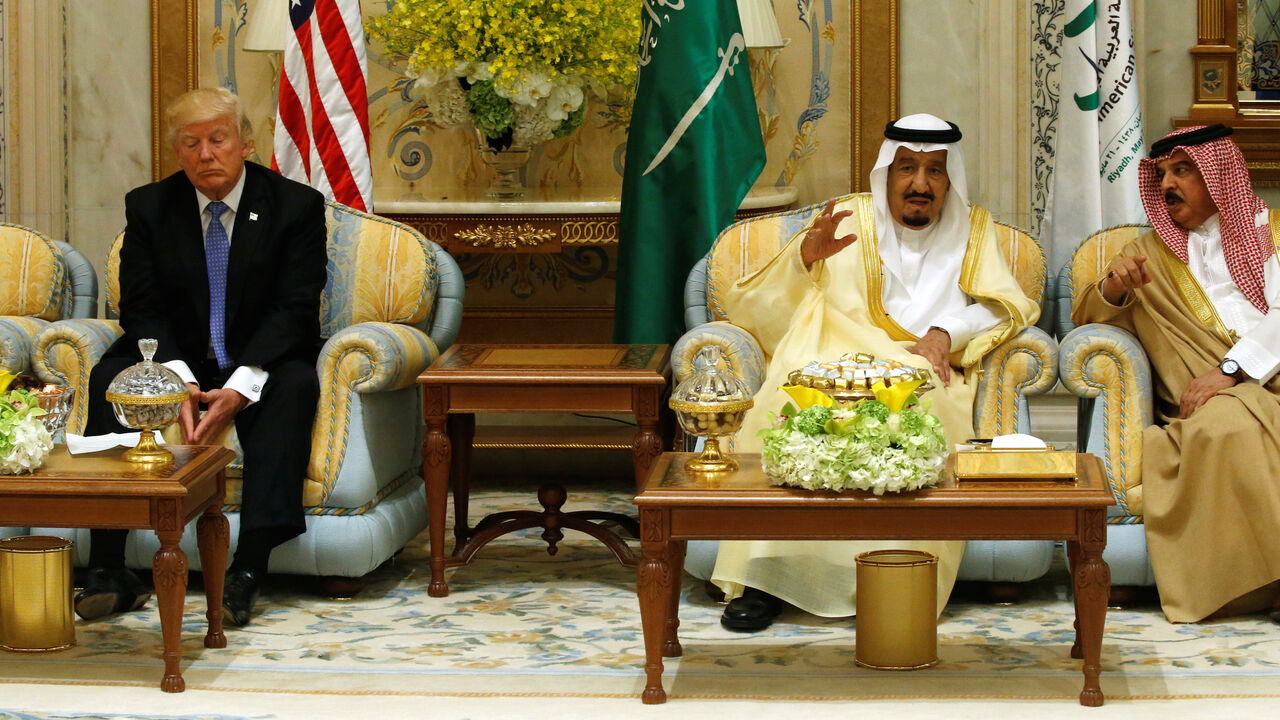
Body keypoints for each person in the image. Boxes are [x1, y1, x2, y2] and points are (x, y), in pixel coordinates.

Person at [706, 114, 1039, 631]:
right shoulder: (846, 221)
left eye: (935, 171)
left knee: (918, 415)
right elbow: (753, 308)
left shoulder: (974, 230)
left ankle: (895, 577)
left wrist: (945, 331)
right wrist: (807, 259)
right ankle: (762, 577)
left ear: (951, 179)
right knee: (786, 402)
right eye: (907, 168)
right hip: (832, 354)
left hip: (921, 370)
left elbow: (1005, 306)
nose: (921, 184)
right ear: (887, 171)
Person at [74, 87, 326, 627]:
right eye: (191, 143)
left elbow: (296, 308)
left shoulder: (294, 207)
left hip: (263, 355)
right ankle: (108, 567)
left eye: (218, 139)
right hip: (179, 354)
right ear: (176, 151)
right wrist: (176, 380)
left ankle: (249, 569)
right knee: (109, 375)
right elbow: (140, 306)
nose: (205, 154)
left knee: (295, 384)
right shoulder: (149, 206)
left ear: (245, 143)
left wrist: (240, 386)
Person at [1072, 124, 1280, 623]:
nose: (1168, 184)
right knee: (1222, 425)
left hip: (1262, 377)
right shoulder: (1148, 253)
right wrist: (1117, 289)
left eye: (1183, 170)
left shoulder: (1272, 233)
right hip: (1205, 399)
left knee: (1228, 421)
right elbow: (1088, 319)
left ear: (1219, 173)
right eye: (1161, 173)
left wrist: (1232, 369)